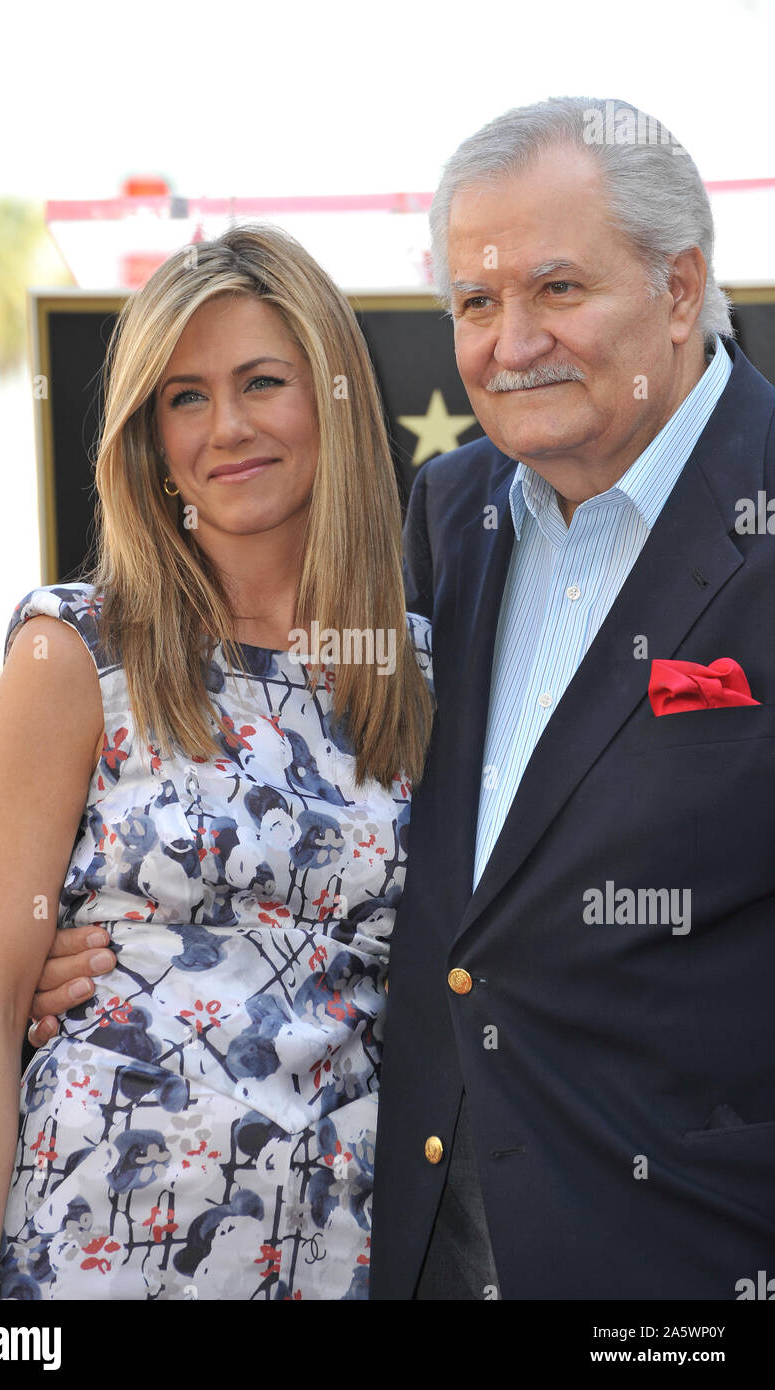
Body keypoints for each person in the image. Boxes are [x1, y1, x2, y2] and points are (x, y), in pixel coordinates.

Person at [0, 224, 433, 1301]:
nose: (229, 427)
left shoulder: (418, 673)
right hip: (92, 1256)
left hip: (342, 1252)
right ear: (149, 439)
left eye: (262, 381)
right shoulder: (73, 653)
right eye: (185, 397)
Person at [365, 96, 775, 1300]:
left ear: (681, 287)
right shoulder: (448, 511)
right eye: (475, 304)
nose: (510, 343)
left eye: (555, 289)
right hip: (435, 1248)